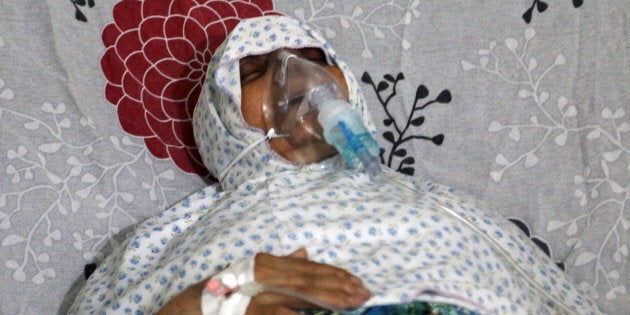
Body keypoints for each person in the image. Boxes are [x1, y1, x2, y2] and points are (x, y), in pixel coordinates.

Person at [69, 15, 601, 315]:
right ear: (219, 119)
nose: (297, 76)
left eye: (316, 59)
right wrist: (212, 300)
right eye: (255, 72)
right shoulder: (168, 237)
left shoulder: (448, 207)